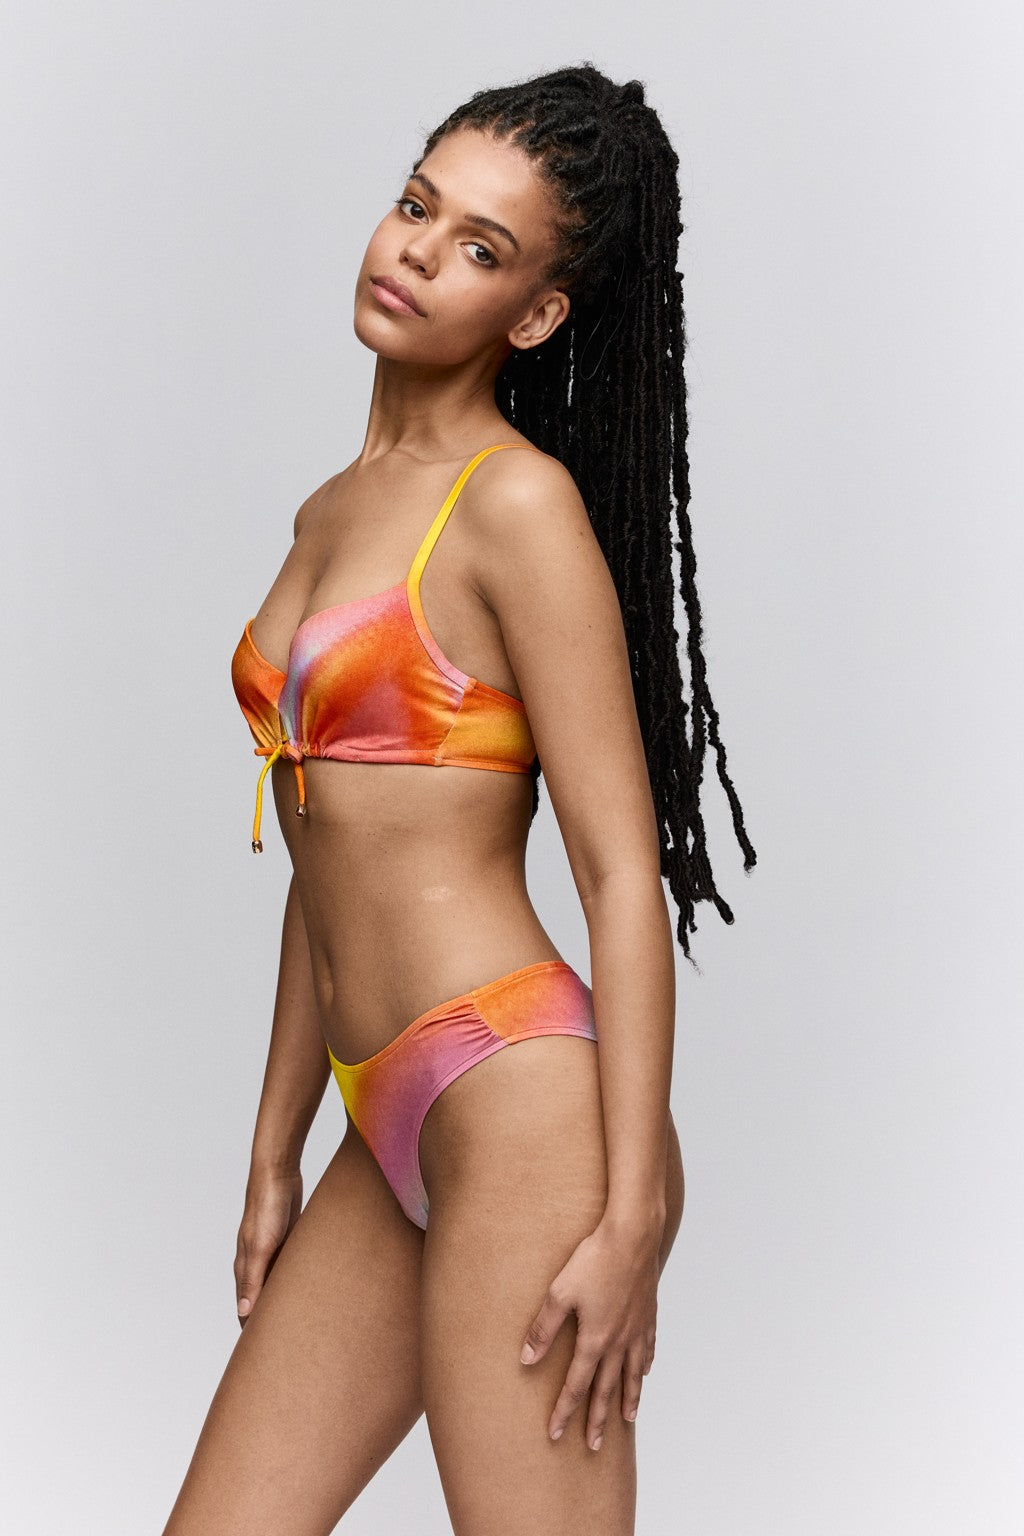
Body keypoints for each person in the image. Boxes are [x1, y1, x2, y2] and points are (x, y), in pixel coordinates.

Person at [163, 61, 756, 1536]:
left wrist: (631, 1215)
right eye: (417, 205)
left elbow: (618, 872)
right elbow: (325, 856)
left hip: (524, 1107)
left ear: (534, 314)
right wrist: (273, 1150)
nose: (418, 251)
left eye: (480, 246)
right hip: (381, 1114)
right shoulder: (330, 508)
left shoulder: (514, 505)